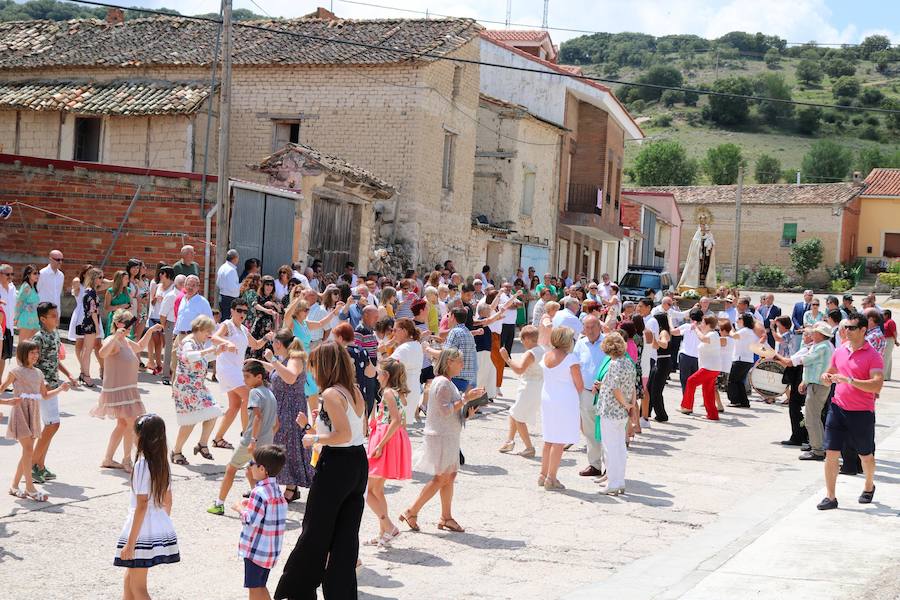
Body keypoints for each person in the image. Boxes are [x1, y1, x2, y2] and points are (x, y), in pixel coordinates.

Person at [275, 342, 368, 600]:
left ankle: (297, 590)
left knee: (315, 530)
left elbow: (343, 434)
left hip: (337, 464)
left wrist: (315, 439)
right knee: (345, 536)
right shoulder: (355, 392)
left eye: (313, 365)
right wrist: (315, 428)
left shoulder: (330, 394)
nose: (311, 371)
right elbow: (356, 431)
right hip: (357, 463)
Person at [400, 348, 484, 533]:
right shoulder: (443, 384)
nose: (462, 365)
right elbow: (446, 410)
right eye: (459, 361)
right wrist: (465, 398)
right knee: (441, 478)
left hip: (447, 435)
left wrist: (467, 412)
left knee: (449, 476)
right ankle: (412, 511)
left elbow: (447, 412)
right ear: (449, 363)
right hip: (441, 436)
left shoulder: (447, 383)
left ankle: (446, 516)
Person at [817, 312, 884, 510]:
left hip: (861, 412)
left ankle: (869, 485)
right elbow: (831, 370)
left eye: (851, 328)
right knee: (831, 453)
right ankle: (830, 497)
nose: (846, 330)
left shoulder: (873, 356)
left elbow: (876, 386)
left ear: (863, 330)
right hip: (837, 408)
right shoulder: (840, 350)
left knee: (865, 456)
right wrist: (826, 376)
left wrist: (850, 381)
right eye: (845, 327)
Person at [114, 414, 180, 594]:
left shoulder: (142, 465)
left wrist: (131, 543)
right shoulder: (162, 463)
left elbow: (141, 505)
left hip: (141, 530)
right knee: (129, 578)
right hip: (153, 525)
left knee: (138, 587)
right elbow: (168, 500)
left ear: (140, 437)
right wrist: (160, 526)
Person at [93, 310, 160, 474]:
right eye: (128, 324)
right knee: (131, 424)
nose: (131, 327)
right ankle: (127, 459)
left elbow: (141, 346)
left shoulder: (126, 341)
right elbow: (102, 353)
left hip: (128, 389)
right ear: (119, 324)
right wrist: (115, 336)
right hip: (118, 389)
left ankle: (108, 459)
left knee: (123, 424)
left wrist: (150, 331)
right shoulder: (113, 340)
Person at [209, 360, 279, 515]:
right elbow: (277, 423)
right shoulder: (271, 394)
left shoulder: (255, 393)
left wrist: (253, 439)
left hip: (251, 441)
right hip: (266, 442)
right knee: (251, 472)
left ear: (259, 377)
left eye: (247, 376)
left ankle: (219, 504)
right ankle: (261, 504)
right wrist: (267, 437)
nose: (244, 380)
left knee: (231, 469)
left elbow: (258, 417)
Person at [4, 339, 70, 501]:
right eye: (32, 352)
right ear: (23, 353)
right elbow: (1, 390)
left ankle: (14, 485)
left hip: (33, 413)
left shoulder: (38, 373)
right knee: (28, 450)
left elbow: (45, 395)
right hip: (20, 413)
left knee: (27, 452)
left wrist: (60, 389)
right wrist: (7, 402)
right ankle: (30, 487)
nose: (36, 356)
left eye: (37, 353)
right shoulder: (15, 371)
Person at [211, 298, 271, 450]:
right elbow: (215, 337)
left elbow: (256, 344)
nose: (242, 314)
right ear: (232, 311)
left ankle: (218, 438)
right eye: (239, 310)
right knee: (249, 398)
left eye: (245, 311)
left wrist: (266, 337)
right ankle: (247, 437)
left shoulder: (244, 329)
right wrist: (227, 343)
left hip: (237, 371)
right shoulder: (227, 325)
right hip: (227, 369)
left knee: (235, 405)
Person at [365, 357, 413, 547]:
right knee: (377, 489)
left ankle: (389, 526)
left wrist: (380, 445)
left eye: (378, 374)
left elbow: (394, 420)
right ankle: (383, 532)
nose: (376, 377)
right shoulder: (399, 393)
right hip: (391, 438)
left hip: (385, 438)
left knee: (366, 490)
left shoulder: (388, 393)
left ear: (386, 375)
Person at [170, 315, 229, 465]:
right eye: (207, 332)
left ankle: (202, 444)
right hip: (186, 388)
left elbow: (201, 359)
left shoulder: (198, 342)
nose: (209, 335)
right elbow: (190, 356)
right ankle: (176, 451)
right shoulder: (188, 341)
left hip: (198, 387)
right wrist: (209, 350)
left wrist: (217, 352)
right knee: (189, 421)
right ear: (200, 329)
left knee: (214, 411)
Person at [265, 328, 316, 503]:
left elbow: (290, 377)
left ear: (278, 344)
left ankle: (291, 487)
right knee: (282, 444)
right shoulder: (286, 359)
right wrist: (258, 363)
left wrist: (272, 359)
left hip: (291, 409)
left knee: (288, 445)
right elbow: (278, 370)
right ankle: (287, 487)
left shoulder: (294, 359)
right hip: (283, 408)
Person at [30, 302, 77, 483]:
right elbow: (30, 364)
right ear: (43, 319)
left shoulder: (54, 334)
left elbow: (54, 360)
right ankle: (32, 464)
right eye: (53, 316)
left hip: (54, 385)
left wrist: (69, 374)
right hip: (43, 388)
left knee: (50, 425)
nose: (57, 318)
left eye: (57, 315)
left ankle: (40, 465)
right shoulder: (38, 338)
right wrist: (41, 384)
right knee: (53, 425)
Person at [775, 321, 834, 461]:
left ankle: (818, 450)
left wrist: (788, 360)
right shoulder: (821, 346)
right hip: (815, 384)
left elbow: (807, 360)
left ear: (820, 334)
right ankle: (818, 447)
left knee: (812, 418)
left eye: (814, 331)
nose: (812, 333)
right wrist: (805, 381)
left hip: (817, 385)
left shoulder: (822, 347)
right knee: (814, 417)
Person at [235, 444, 288, 600]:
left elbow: (250, 520)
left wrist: (239, 508)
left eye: (252, 464)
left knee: (254, 589)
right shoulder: (276, 489)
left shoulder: (258, 492)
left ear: (263, 469)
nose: (250, 468)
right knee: (260, 585)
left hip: (256, 551)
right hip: (269, 551)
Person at [591, 332, 636, 496]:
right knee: (619, 448)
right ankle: (619, 481)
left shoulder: (615, 363)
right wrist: (628, 406)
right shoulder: (628, 362)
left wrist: (625, 403)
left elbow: (615, 388)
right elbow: (627, 386)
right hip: (621, 413)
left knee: (610, 448)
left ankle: (613, 483)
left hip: (610, 410)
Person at [539, 327, 583, 491]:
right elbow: (579, 385)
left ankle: (543, 474)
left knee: (549, 438)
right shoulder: (571, 359)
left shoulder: (546, 355)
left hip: (548, 397)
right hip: (564, 400)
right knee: (559, 441)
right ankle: (551, 477)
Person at [498, 325, 544, 457]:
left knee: (518, 417)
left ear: (527, 339)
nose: (522, 343)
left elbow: (519, 369)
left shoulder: (530, 353)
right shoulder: (542, 350)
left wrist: (507, 359)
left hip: (529, 387)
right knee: (514, 412)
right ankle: (510, 441)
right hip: (537, 386)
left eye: (522, 340)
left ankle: (529, 447)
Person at [573, 316, 606, 478]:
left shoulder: (608, 342)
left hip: (606, 394)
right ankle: (594, 464)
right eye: (587, 327)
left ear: (600, 327)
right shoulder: (580, 344)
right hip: (585, 392)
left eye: (593, 327)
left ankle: (610, 466)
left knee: (607, 430)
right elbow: (575, 366)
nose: (590, 330)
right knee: (589, 430)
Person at [680, 315, 722, 420]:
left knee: (691, 381)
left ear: (708, 324)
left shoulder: (713, 334)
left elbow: (703, 338)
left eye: (703, 323)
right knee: (707, 391)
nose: (701, 324)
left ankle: (686, 406)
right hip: (711, 367)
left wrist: (696, 329)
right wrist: (696, 328)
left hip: (710, 367)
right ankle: (712, 415)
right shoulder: (711, 334)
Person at [171, 275, 214, 376]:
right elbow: (180, 318)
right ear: (184, 286)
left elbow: (209, 321)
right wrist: (175, 333)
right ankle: (175, 391)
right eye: (188, 285)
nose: (190, 287)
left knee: (190, 367)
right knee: (175, 366)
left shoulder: (203, 302)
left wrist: (206, 339)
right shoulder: (183, 300)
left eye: (193, 285)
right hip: (180, 336)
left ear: (198, 287)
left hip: (194, 338)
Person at [390, 318, 424, 423]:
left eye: (395, 330)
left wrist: (382, 351)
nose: (393, 333)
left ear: (404, 331)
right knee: (401, 428)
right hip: (413, 390)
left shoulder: (404, 348)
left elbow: (386, 366)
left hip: (403, 391)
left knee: (393, 427)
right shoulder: (416, 345)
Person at [76, 267, 104, 387]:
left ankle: (83, 373)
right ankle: (86, 375)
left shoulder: (88, 291)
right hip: (91, 323)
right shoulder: (91, 292)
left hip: (87, 321)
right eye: (100, 277)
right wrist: (97, 326)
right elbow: (93, 311)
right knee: (87, 350)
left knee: (85, 350)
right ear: (94, 278)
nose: (102, 280)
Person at [646, 313, 672, 423]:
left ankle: (662, 415)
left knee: (656, 390)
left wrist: (654, 339)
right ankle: (646, 412)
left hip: (663, 362)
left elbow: (664, 344)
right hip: (660, 361)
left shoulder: (663, 332)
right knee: (650, 388)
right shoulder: (661, 331)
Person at [727, 314, 758, 408]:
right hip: (747, 359)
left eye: (739, 318)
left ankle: (735, 400)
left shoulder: (745, 330)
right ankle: (744, 401)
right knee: (739, 381)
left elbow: (733, 335)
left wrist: (730, 328)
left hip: (741, 359)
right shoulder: (749, 331)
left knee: (732, 380)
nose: (737, 320)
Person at [158, 270, 181, 386]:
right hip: (171, 324)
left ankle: (176, 375)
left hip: (180, 325)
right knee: (169, 350)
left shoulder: (185, 296)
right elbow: (162, 314)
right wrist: (165, 327)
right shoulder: (171, 296)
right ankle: (166, 375)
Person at [249, 277, 279, 359]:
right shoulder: (258, 297)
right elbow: (255, 305)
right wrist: (266, 310)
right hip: (259, 326)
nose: (269, 287)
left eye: (271, 285)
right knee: (255, 348)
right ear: (263, 286)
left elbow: (279, 312)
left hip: (270, 328)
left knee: (267, 351)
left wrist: (274, 305)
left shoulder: (274, 299)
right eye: (267, 284)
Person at [0, 264, 17, 383]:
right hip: (0, 326)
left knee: (3, 356)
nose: (10, 277)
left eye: (12, 274)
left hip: (9, 326)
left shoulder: (12, 287)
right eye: (7, 274)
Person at [15, 264, 40, 342]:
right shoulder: (26, 287)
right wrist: (16, 318)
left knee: (31, 345)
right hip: (26, 318)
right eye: (35, 273)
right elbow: (19, 302)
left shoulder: (34, 287)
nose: (37, 275)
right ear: (28, 275)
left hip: (35, 318)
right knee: (23, 344)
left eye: (38, 273)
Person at [104, 270, 132, 339]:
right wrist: (119, 307)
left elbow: (130, 304)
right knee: (113, 340)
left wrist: (129, 307)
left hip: (127, 319)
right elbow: (106, 308)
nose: (128, 281)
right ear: (120, 280)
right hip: (115, 319)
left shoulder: (128, 290)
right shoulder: (110, 291)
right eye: (126, 279)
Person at [217, 248, 241, 321]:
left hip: (223, 297)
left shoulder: (223, 267)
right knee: (228, 321)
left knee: (224, 318)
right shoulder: (231, 270)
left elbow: (218, 283)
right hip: (229, 299)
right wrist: (242, 285)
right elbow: (233, 288)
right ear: (235, 258)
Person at [883, 309, 896, 381]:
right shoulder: (885, 322)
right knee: (888, 358)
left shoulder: (890, 322)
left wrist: (896, 340)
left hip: (889, 340)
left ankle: (884, 376)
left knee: (885, 358)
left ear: (887, 315)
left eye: (883, 314)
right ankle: (887, 376)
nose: (882, 316)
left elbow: (894, 332)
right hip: (886, 340)